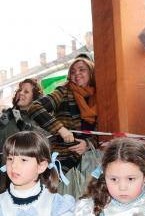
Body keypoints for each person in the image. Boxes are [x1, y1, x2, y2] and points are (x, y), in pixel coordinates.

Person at [26, 57, 98, 196]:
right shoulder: (63, 91)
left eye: (82, 69)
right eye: (73, 71)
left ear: (91, 72)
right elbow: (35, 107)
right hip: (63, 161)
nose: (77, 73)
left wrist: (88, 144)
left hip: (88, 162)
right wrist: (60, 129)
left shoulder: (99, 97)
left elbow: (101, 133)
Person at [0, 79, 48, 191]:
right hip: (9, 178)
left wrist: (23, 125)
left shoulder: (41, 115)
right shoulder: (8, 117)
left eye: (26, 91)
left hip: (33, 177)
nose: (21, 93)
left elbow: (46, 141)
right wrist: (0, 124)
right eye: (20, 90)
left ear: (35, 97)